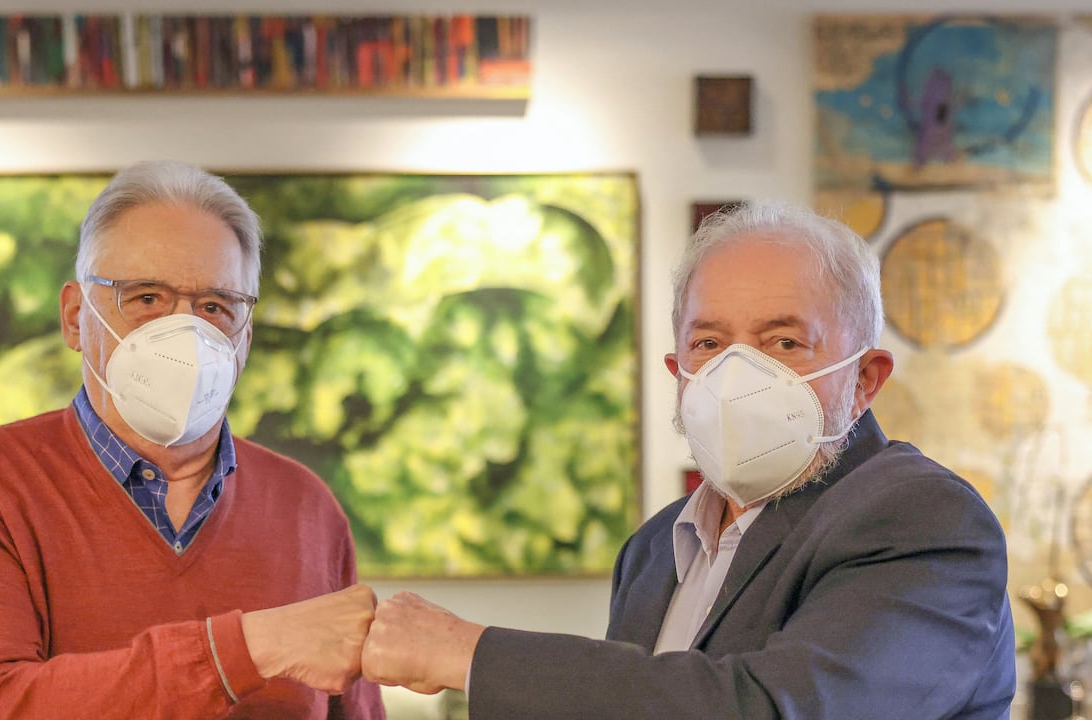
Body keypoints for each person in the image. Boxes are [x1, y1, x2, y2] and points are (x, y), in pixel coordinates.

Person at [361, 200, 1015, 719]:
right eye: (709, 342)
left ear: (864, 379)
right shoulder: (654, 549)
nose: (739, 372)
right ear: (678, 370)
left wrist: (473, 654)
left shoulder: (925, 521)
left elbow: (775, 708)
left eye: (784, 341)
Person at [0, 160, 385, 719]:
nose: (183, 334)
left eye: (214, 307)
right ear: (74, 317)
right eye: (146, 299)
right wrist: (249, 649)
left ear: (245, 339)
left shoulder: (306, 508)